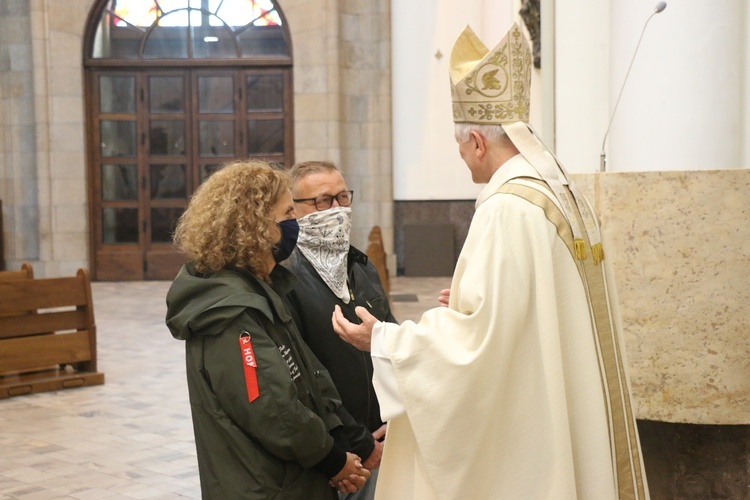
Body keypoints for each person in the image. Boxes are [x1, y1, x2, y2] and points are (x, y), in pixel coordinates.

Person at [331, 24, 650, 499]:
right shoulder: (559, 193)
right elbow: (530, 309)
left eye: (461, 148)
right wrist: (468, 301)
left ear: (477, 141)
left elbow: (476, 343)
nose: (464, 160)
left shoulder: (506, 208)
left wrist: (382, 338)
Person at [165, 160, 370, 499]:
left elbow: (308, 376)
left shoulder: (262, 290)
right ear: (256, 226)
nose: (295, 224)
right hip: (267, 487)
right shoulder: (230, 312)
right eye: (288, 213)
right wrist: (333, 461)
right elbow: (273, 411)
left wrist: (340, 444)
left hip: (292, 478)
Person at [283, 160, 396, 499]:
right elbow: (303, 377)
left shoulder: (361, 266)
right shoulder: (285, 279)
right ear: (294, 210)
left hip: (384, 433)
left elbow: (389, 338)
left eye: (343, 197)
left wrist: (396, 418)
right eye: (322, 201)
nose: (335, 209)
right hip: (340, 451)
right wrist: (357, 443)